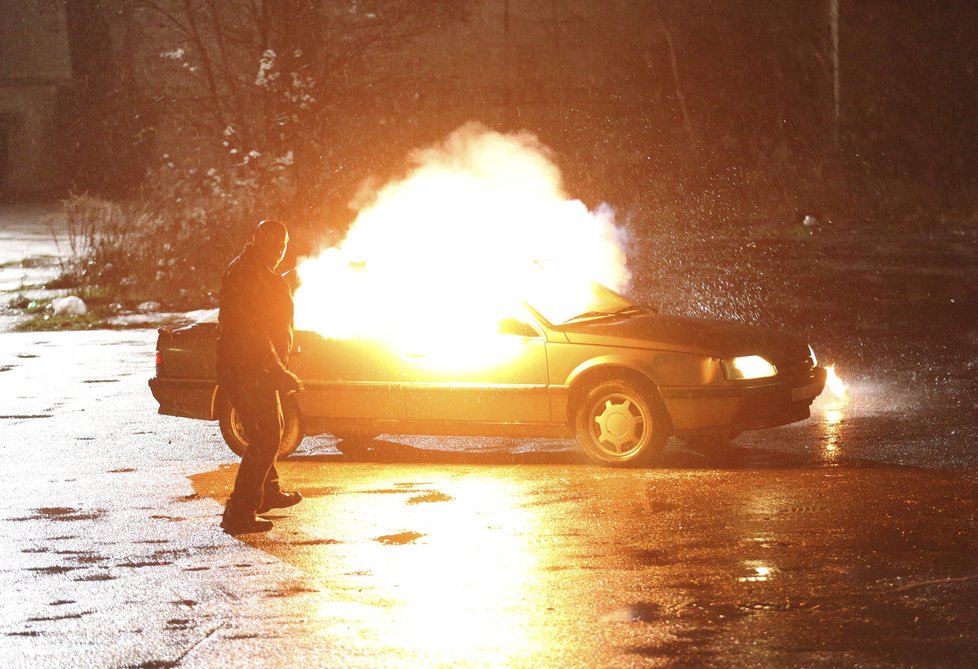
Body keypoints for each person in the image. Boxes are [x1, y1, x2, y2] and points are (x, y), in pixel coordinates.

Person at [217, 219, 304, 534]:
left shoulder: (252, 272)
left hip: (254, 369)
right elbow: (253, 334)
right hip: (249, 370)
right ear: (257, 241)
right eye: (273, 245)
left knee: (270, 430)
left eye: (282, 246)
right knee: (267, 436)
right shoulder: (252, 277)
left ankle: (268, 491)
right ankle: (238, 512)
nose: (279, 251)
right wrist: (278, 371)